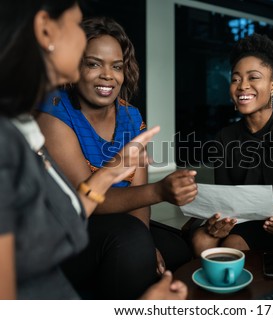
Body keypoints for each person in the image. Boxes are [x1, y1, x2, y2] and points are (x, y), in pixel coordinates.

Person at [0, 0, 186, 300]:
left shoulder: (21, 129)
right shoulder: (11, 141)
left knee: (173, 245)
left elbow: (66, 213)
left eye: (116, 65)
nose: (106, 74)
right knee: (131, 242)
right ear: (46, 30)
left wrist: (110, 172)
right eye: (77, 24)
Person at [192, 33, 273, 256]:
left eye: (253, 77)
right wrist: (218, 221)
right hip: (240, 218)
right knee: (201, 240)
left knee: (233, 245)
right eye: (236, 79)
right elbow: (225, 196)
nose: (242, 86)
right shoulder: (225, 137)